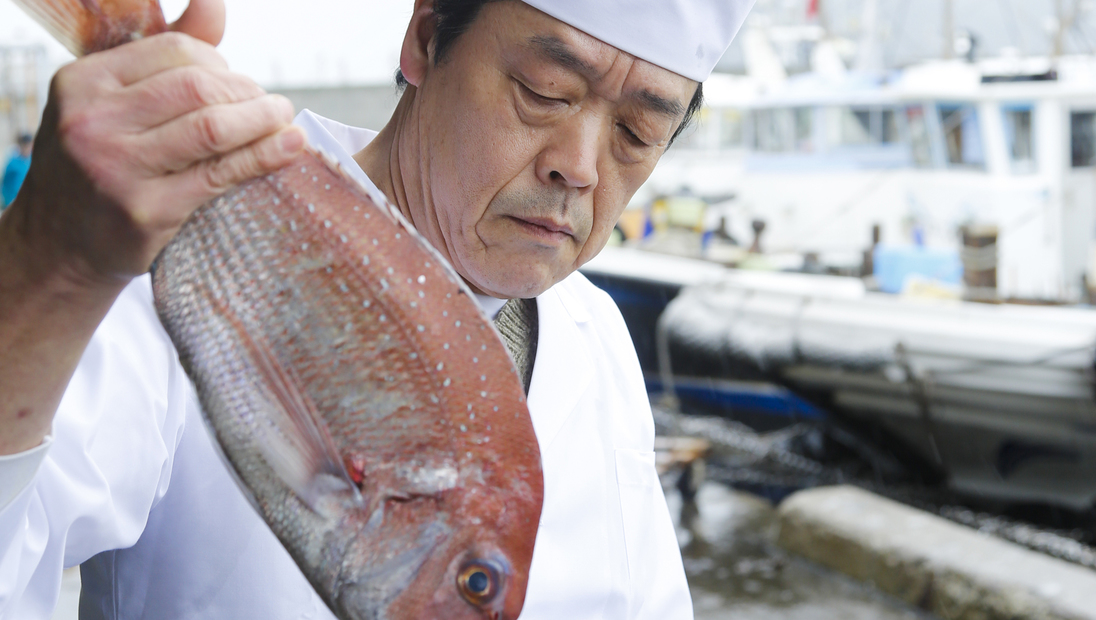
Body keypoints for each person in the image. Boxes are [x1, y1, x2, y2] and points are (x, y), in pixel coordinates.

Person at [0, 0, 753, 617]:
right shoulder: (155, 266)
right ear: (426, 39)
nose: (581, 166)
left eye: (637, 134)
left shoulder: (598, 335)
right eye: (545, 92)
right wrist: (45, 268)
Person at [0, 133, 32, 210]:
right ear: (22, 146)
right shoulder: (13, 163)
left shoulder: (31, 162)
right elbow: (5, 182)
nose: (29, 149)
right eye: (27, 146)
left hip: (27, 201)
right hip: (12, 201)